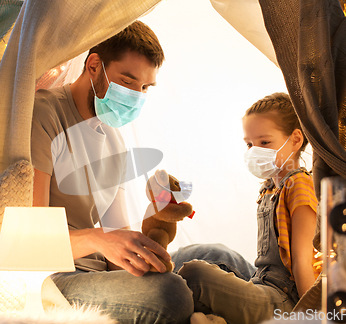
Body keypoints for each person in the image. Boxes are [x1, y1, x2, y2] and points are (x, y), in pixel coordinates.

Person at [31, 21, 193, 323]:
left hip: (102, 274)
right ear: (94, 65)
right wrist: (99, 240)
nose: (137, 96)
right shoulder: (45, 114)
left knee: (204, 262)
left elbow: (116, 235)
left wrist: (149, 234)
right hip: (61, 278)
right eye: (128, 82)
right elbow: (31, 237)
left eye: (145, 88)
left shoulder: (114, 139)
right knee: (172, 294)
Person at [175, 93, 319, 323]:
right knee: (210, 262)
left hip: (283, 300)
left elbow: (303, 261)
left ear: (295, 140)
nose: (254, 151)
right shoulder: (269, 189)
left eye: (264, 142)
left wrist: (311, 316)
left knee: (195, 274)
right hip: (260, 282)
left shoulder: (300, 185)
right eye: (249, 144)